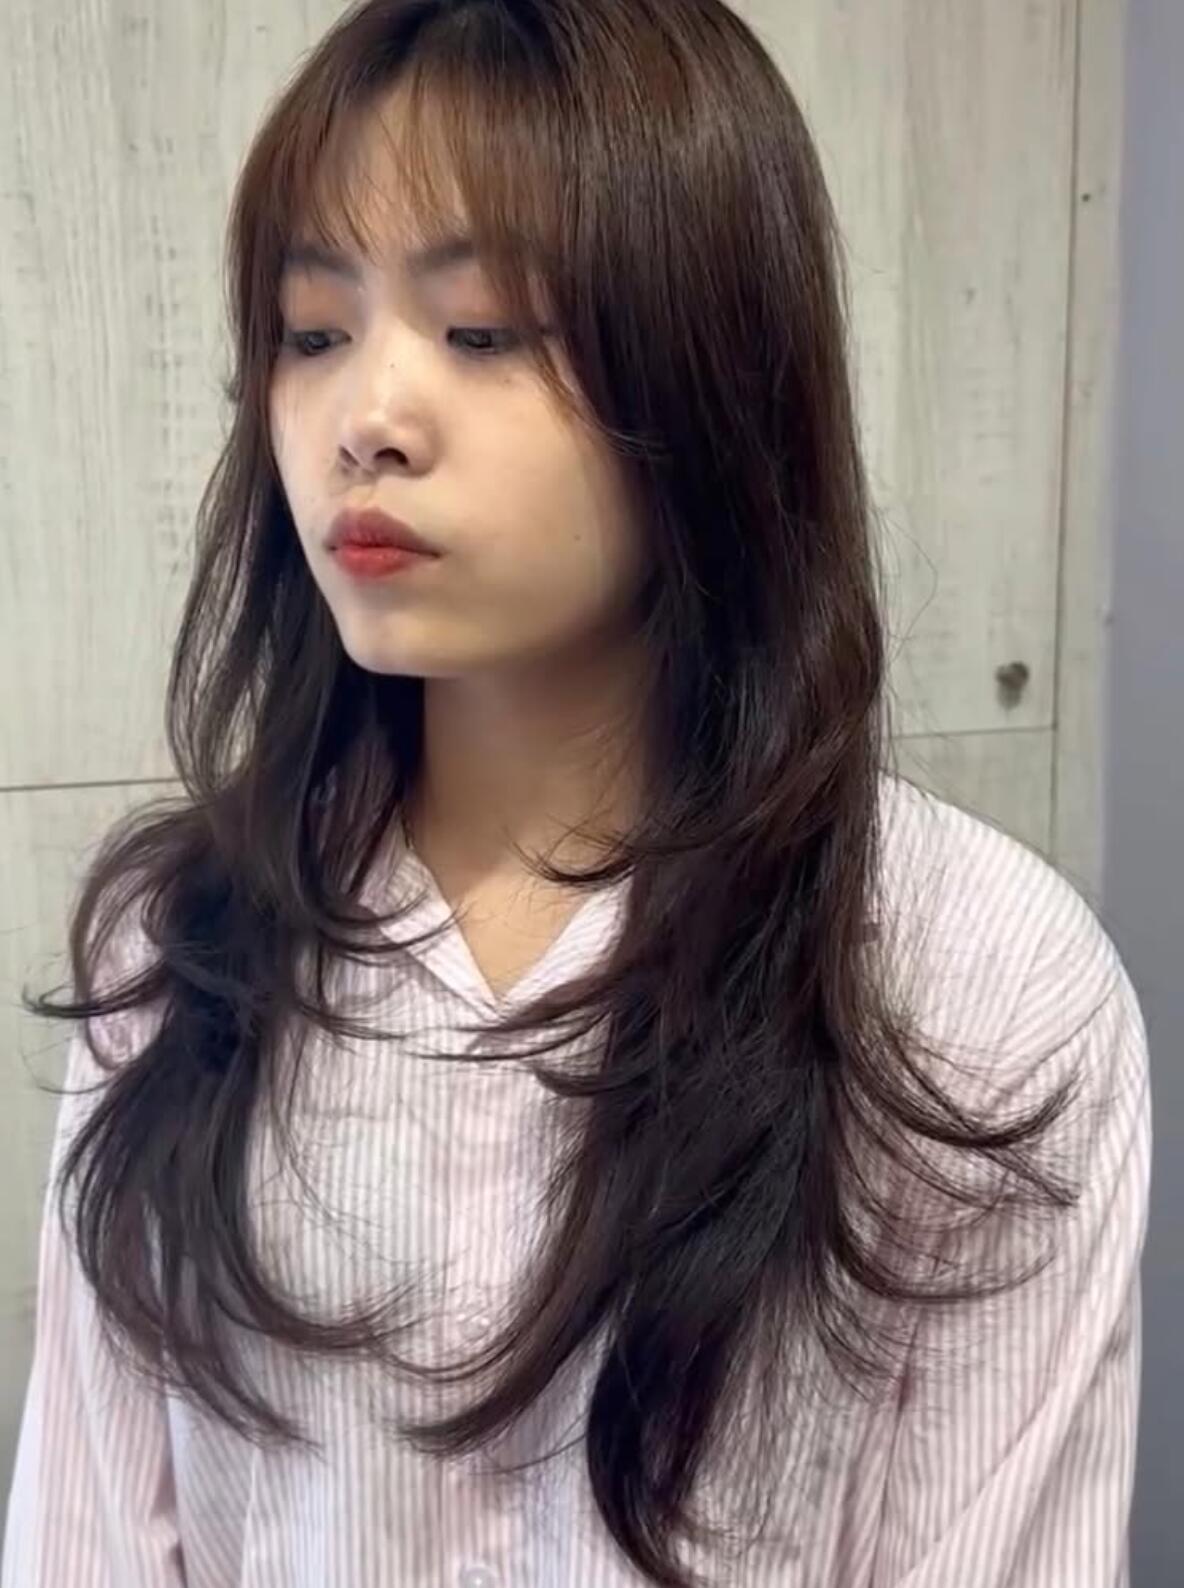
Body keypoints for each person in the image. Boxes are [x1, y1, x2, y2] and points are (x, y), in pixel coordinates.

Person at [1, 1, 1151, 1584]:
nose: (367, 421)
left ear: (710, 374)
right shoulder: (184, 944)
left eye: (482, 332)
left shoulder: (975, 987)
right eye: (312, 332)